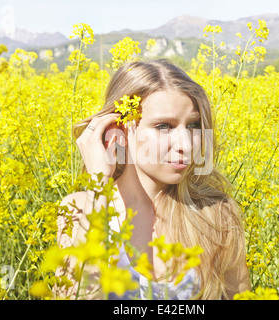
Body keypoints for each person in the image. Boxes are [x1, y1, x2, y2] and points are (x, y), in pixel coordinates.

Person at [55, 59, 251, 300]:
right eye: (164, 126)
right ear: (121, 129)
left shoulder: (216, 215)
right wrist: (99, 183)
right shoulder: (79, 209)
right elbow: (74, 296)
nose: (186, 144)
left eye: (193, 125)